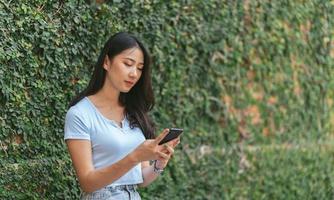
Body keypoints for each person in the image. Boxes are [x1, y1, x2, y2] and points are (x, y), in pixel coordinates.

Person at [64, 32, 180, 199]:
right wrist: (134, 157)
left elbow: (140, 179)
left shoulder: (133, 112)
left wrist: (159, 164)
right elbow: (87, 183)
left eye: (139, 68)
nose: (134, 74)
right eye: (128, 64)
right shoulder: (80, 114)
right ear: (106, 62)